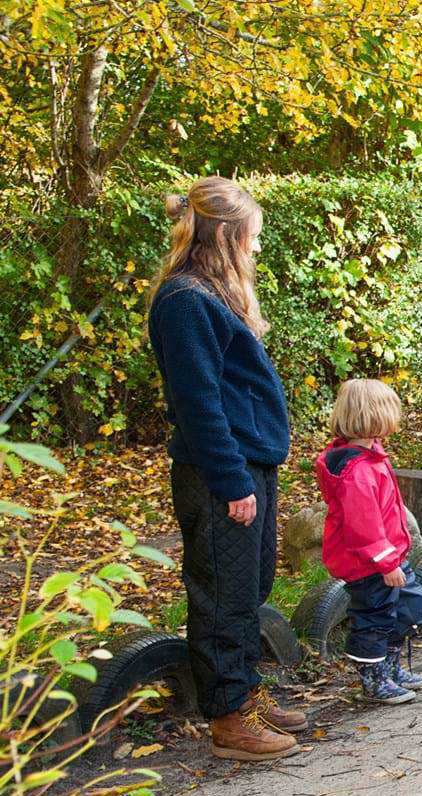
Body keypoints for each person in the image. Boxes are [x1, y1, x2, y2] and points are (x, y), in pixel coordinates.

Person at [146, 177, 306, 761]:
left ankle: (246, 696)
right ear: (227, 234)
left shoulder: (211, 295)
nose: (257, 249)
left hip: (249, 463)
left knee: (248, 587)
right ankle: (229, 720)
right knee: (220, 594)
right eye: (253, 238)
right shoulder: (185, 300)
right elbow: (198, 404)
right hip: (222, 471)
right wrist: (232, 480)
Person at [315, 380, 422, 705]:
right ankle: (373, 679)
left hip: (389, 556)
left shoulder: (372, 457)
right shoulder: (357, 472)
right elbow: (362, 526)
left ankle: (390, 667)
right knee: (375, 616)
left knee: (408, 605)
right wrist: (386, 562)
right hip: (369, 562)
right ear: (375, 416)